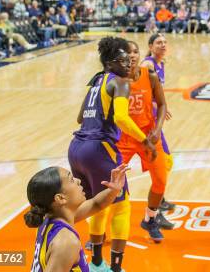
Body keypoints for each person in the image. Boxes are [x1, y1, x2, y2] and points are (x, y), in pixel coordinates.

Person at [68, 37, 157, 272]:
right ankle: (115, 269)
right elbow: (120, 118)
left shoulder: (96, 80)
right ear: (109, 62)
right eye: (123, 60)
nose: (128, 64)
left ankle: (96, 263)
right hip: (99, 150)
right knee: (121, 206)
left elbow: (80, 118)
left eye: (130, 60)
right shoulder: (120, 83)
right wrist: (145, 140)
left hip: (76, 147)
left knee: (98, 204)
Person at [26, 163, 129, 272]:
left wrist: (114, 190)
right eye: (71, 179)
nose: (78, 180)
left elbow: (96, 204)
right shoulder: (66, 242)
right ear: (60, 198)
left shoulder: (50, 218)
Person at [117, 41, 172, 241]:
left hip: (148, 137)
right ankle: (100, 231)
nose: (132, 55)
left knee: (160, 181)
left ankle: (150, 219)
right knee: (110, 185)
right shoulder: (114, 80)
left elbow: (163, 105)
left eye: (135, 51)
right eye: (127, 52)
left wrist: (157, 130)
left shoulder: (150, 76)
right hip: (122, 139)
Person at [141, 33, 176, 214]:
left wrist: (160, 105)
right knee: (164, 161)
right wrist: (154, 106)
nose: (163, 45)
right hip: (146, 121)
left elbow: (153, 92)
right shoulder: (147, 64)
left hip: (154, 117)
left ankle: (159, 197)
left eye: (164, 42)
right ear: (150, 46)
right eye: (158, 42)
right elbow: (139, 89)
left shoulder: (161, 64)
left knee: (165, 161)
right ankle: (156, 202)